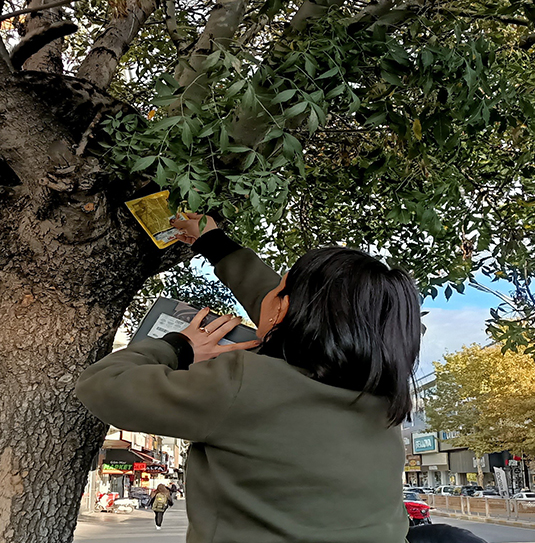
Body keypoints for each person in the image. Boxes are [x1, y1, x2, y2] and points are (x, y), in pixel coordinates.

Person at [76, 214, 421, 542]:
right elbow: (296, 307)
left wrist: (180, 346)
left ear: (286, 309)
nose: (268, 296)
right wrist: (213, 244)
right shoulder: (382, 399)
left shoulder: (243, 384)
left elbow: (102, 384)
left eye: (280, 289)